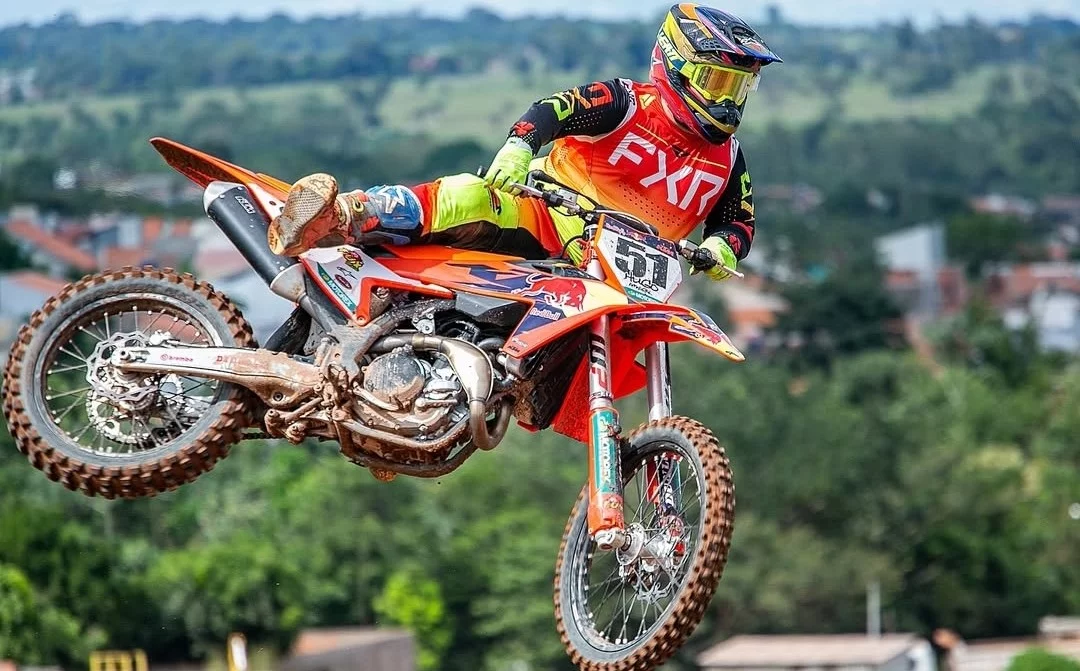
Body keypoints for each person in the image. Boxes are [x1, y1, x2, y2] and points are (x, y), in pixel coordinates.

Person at [267, 3, 781, 282]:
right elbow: (554, 109)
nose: (728, 100)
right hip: (550, 218)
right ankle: (345, 214)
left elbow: (739, 220)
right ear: (675, 65)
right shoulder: (626, 102)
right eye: (717, 82)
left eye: (739, 88)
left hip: (628, 271)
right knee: (469, 194)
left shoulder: (729, 157)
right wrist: (519, 147)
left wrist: (723, 247)